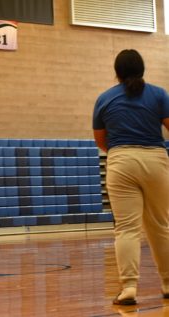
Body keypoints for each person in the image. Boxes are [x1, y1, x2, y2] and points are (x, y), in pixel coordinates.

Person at [92, 49, 169, 305]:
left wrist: (122, 153)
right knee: (160, 225)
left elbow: (101, 140)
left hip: (121, 161)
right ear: (142, 69)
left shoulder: (104, 98)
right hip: (155, 160)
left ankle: (129, 289)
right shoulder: (159, 95)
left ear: (117, 72)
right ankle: (168, 284)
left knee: (126, 229)